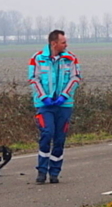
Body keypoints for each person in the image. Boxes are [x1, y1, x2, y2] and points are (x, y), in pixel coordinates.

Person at [28, 30, 81, 184]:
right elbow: (33, 79)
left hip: (64, 105)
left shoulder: (71, 58)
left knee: (59, 138)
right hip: (44, 105)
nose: (66, 45)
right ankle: (42, 171)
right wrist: (43, 97)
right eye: (63, 42)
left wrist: (64, 95)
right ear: (54, 43)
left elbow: (75, 78)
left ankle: (54, 172)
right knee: (47, 133)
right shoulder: (37, 58)